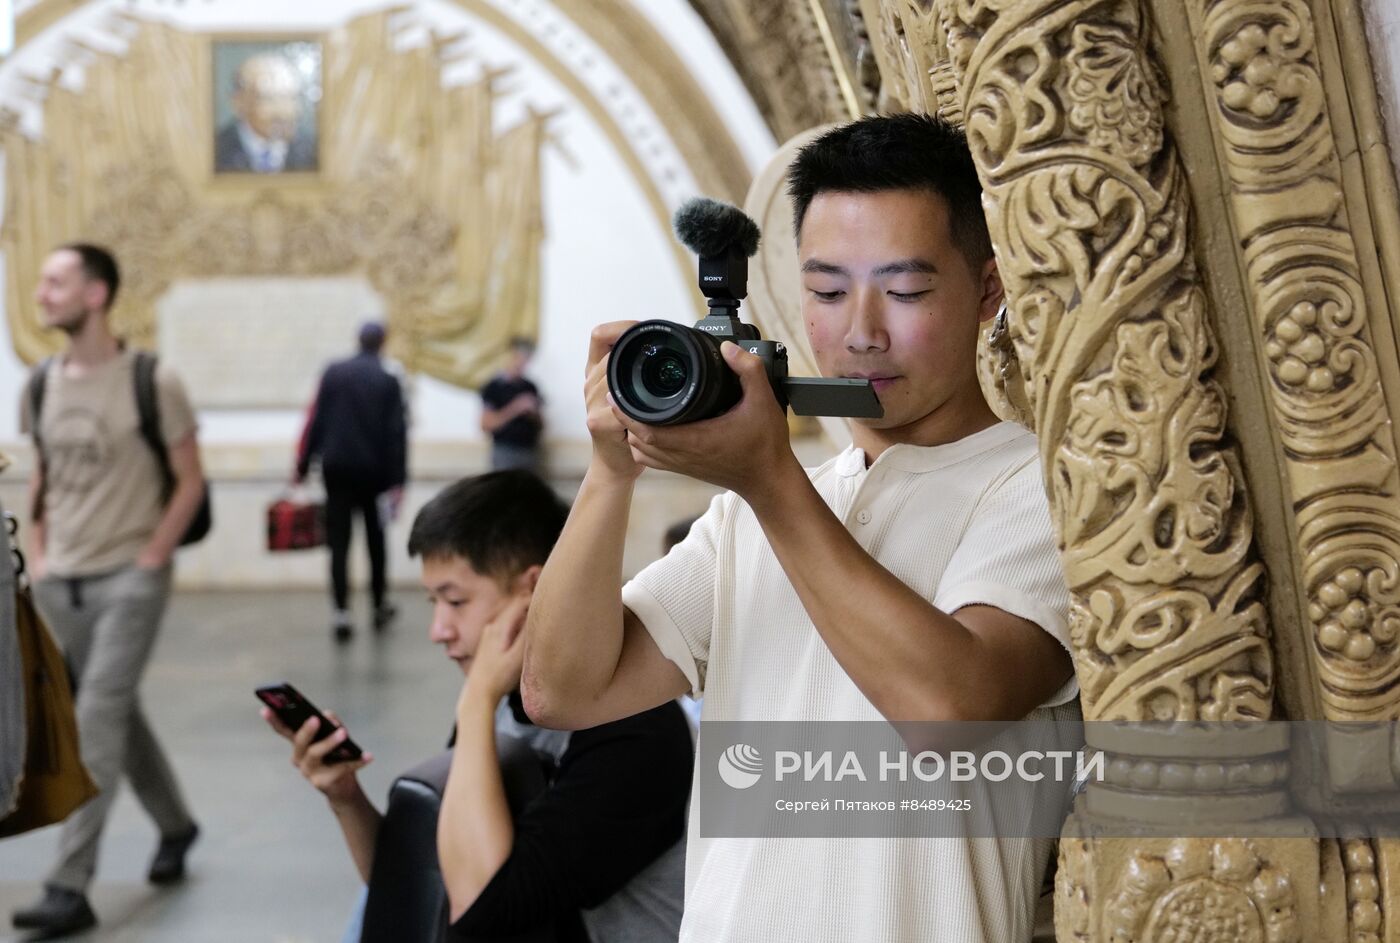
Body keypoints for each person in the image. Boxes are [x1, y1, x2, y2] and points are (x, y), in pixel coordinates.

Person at [522, 114, 1079, 942]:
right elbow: (563, 691)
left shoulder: (1036, 486)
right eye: (825, 291)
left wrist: (768, 480)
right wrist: (612, 472)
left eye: (906, 291)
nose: (860, 332)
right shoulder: (755, 509)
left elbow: (945, 709)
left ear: (988, 290)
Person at [262, 470, 692, 941]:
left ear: (532, 593)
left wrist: (476, 704)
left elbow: (482, 912)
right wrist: (345, 798)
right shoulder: (506, 701)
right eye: (433, 602)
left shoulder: (636, 729)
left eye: (455, 601)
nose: (438, 630)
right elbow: (420, 891)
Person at [11, 244, 204, 937]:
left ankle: (69, 883)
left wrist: (153, 553)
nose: (40, 292)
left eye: (55, 280)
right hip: (62, 579)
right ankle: (177, 825)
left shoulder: (153, 380)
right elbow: (40, 478)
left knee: (93, 718)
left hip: (130, 577)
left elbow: (190, 478)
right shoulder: (37, 385)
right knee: (118, 709)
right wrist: (39, 557)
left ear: (97, 294)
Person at [296, 321, 407, 642]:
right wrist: (398, 480)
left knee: (339, 542)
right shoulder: (387, 380)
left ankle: (341, 611)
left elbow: (317, 420)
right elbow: (396, 434)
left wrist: (303, 464)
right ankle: (378, 604)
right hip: (374, 473)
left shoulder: (334, 373)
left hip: (337, 469)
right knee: (376, 541)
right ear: (382, 343)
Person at [214, 53, 317, 174]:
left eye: (292, 98)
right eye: (269, 99)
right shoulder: (213, 151)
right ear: (239, 103)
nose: (283, 112)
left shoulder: (316, 152)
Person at [480, 337, 544, 473]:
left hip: (529, 451)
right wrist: (516, 408)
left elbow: (541, 425)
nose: (520, 363)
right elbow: (486, 424)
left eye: (525, 359)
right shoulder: (493, 387)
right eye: (517, 357)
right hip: (505, 451)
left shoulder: (530, 387)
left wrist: (533, 413)